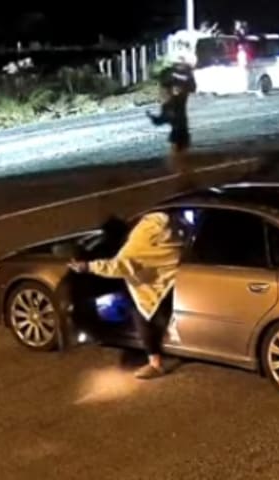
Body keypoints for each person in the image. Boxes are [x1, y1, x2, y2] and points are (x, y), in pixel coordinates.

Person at [68, 212, 184, 379]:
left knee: (140, 315)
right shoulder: (172, 230)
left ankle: (155, 364)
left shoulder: (141, 242)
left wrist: (88, 267)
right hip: (172, 281)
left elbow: (119, 267)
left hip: (153, 289)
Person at [149, 59, 196, 187]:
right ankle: (187, 180)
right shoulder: (173, 101)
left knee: (176, 161)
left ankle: (186, 182)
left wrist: (155, 119)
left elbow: (165, 118)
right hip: (180, 130)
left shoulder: (173, 102)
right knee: (178, 160)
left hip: (179, 130)